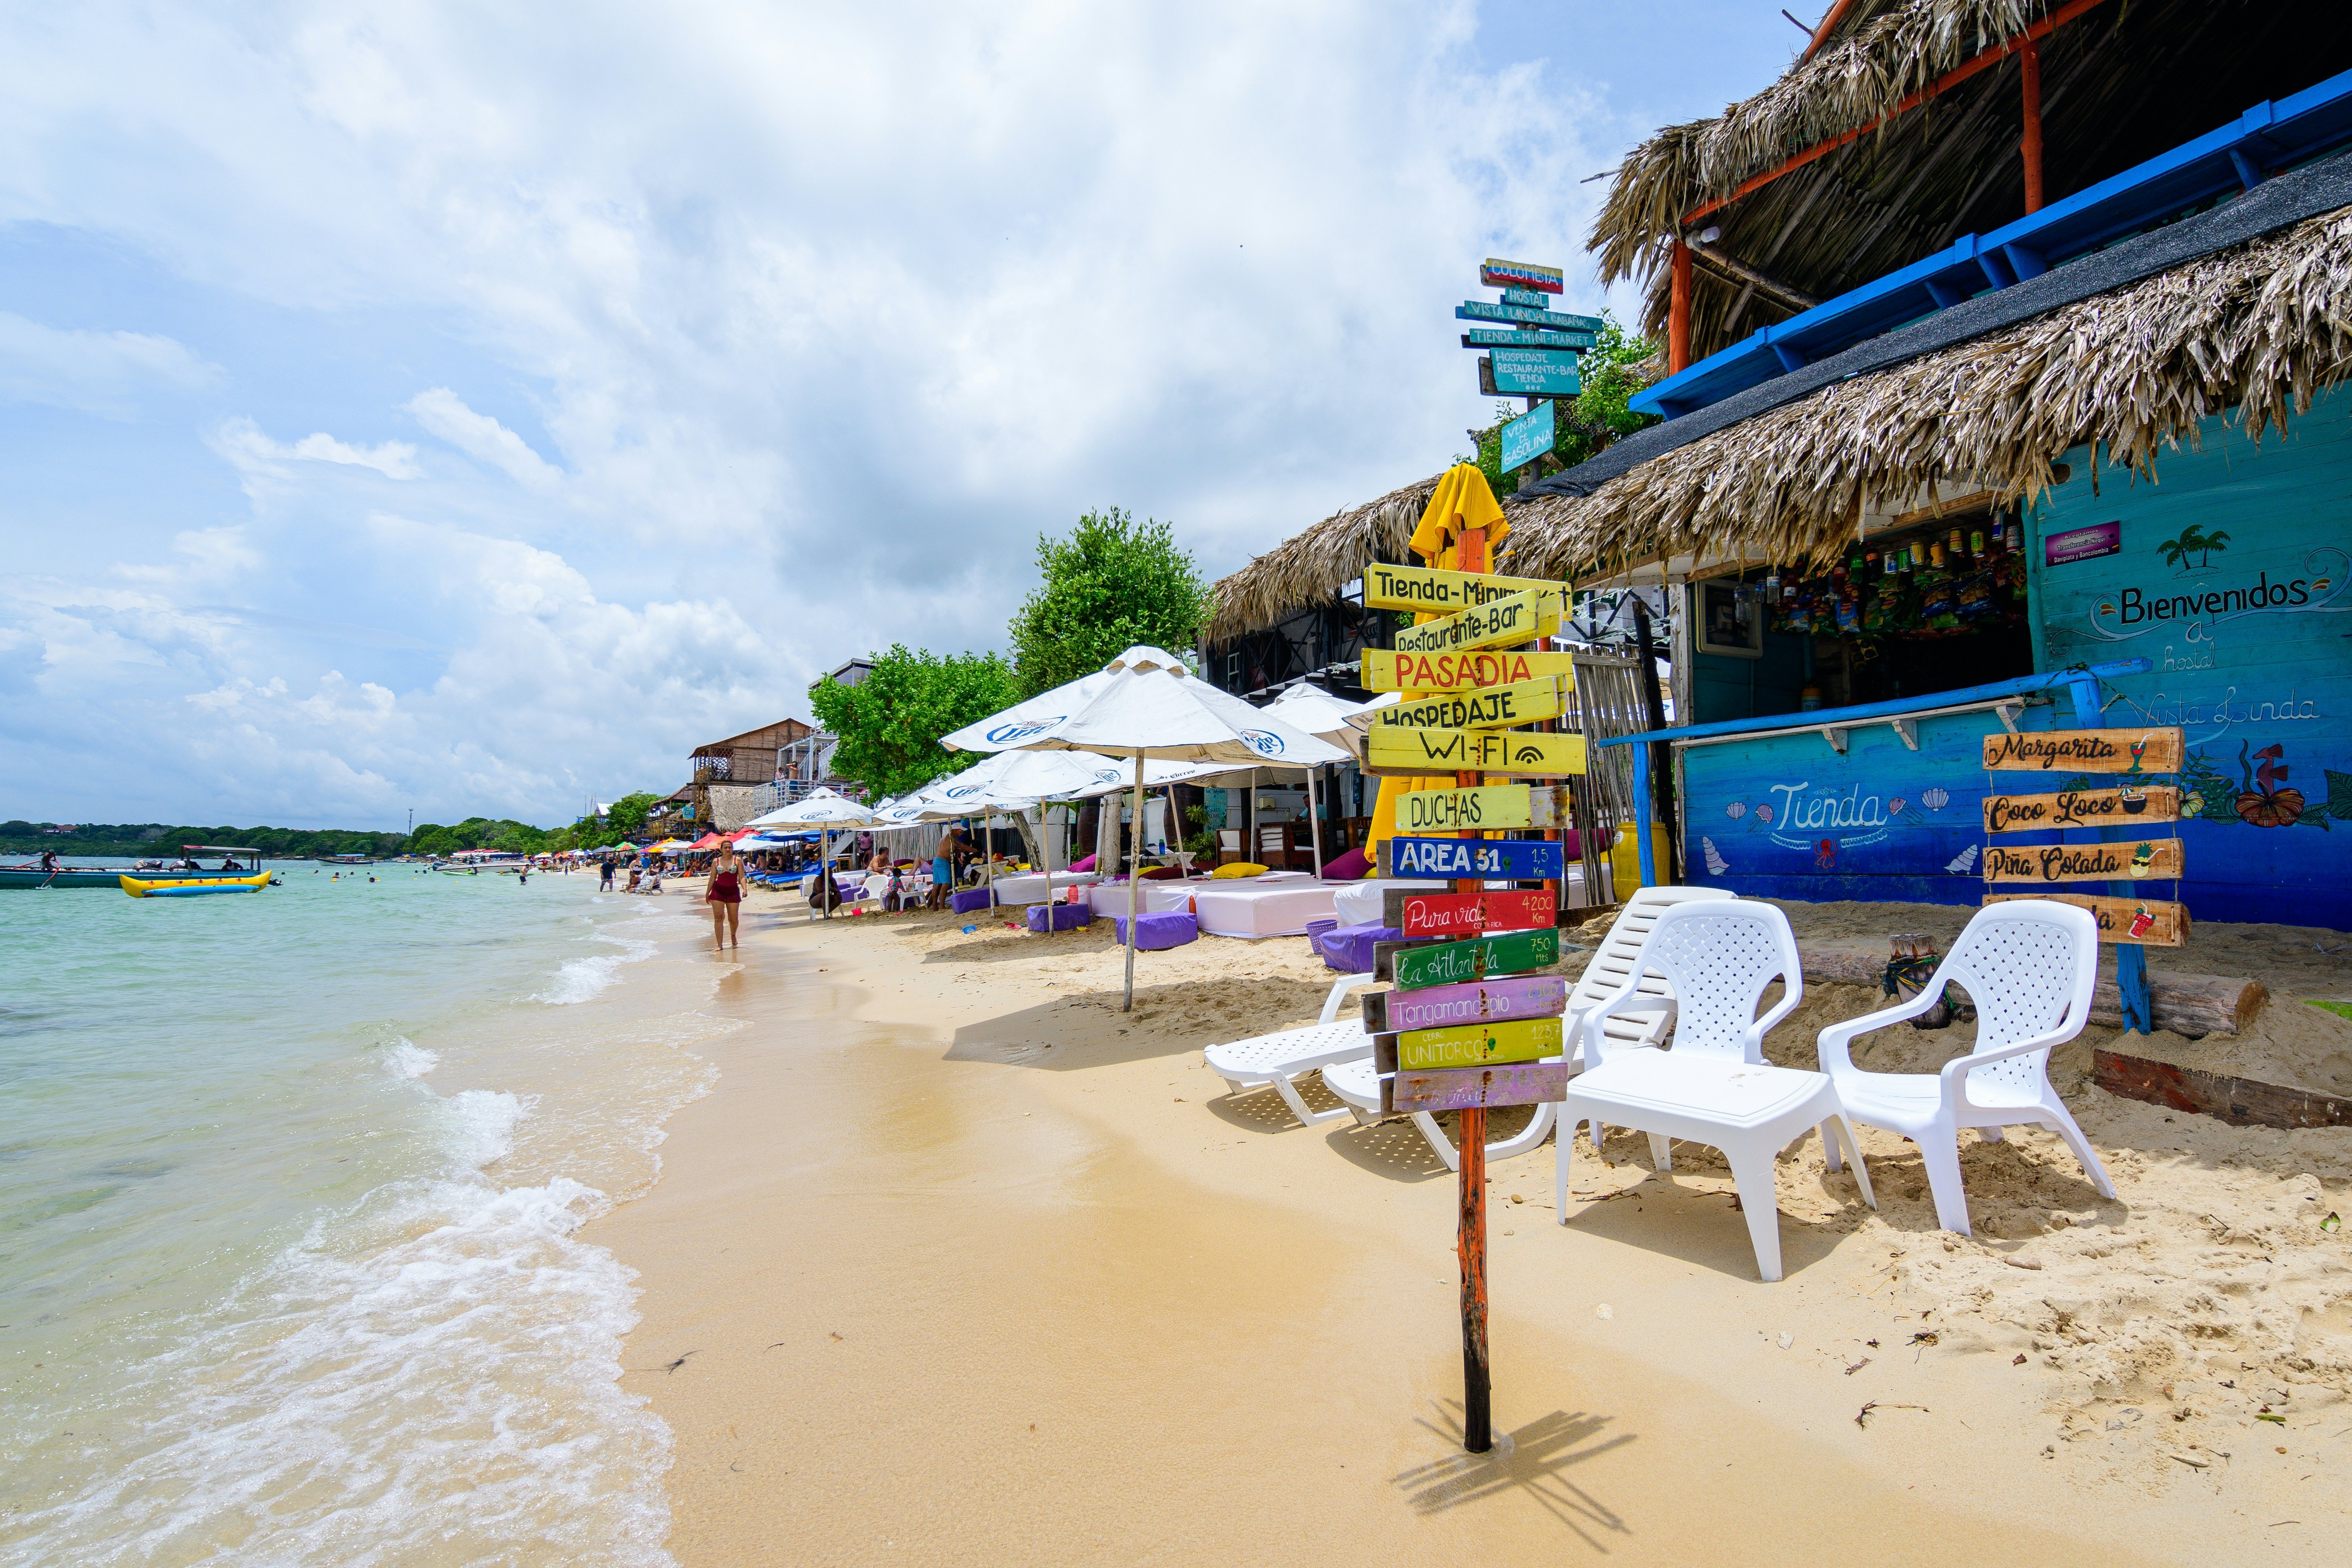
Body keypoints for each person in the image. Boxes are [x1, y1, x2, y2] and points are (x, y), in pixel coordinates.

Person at [707, 838, 744, 949]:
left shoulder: (738, 860)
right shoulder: (716, 862)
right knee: (719, 918)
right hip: (718, 891)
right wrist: (708, 892)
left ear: (732, 849)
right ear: (721, 849)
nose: (728, 849)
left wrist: (745, 889)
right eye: (725, 847)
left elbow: (742, 877)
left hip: (733, 891)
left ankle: (733, 935)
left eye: (730, 847)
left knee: (733, 919)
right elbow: (713, 878)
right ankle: (720, 945)